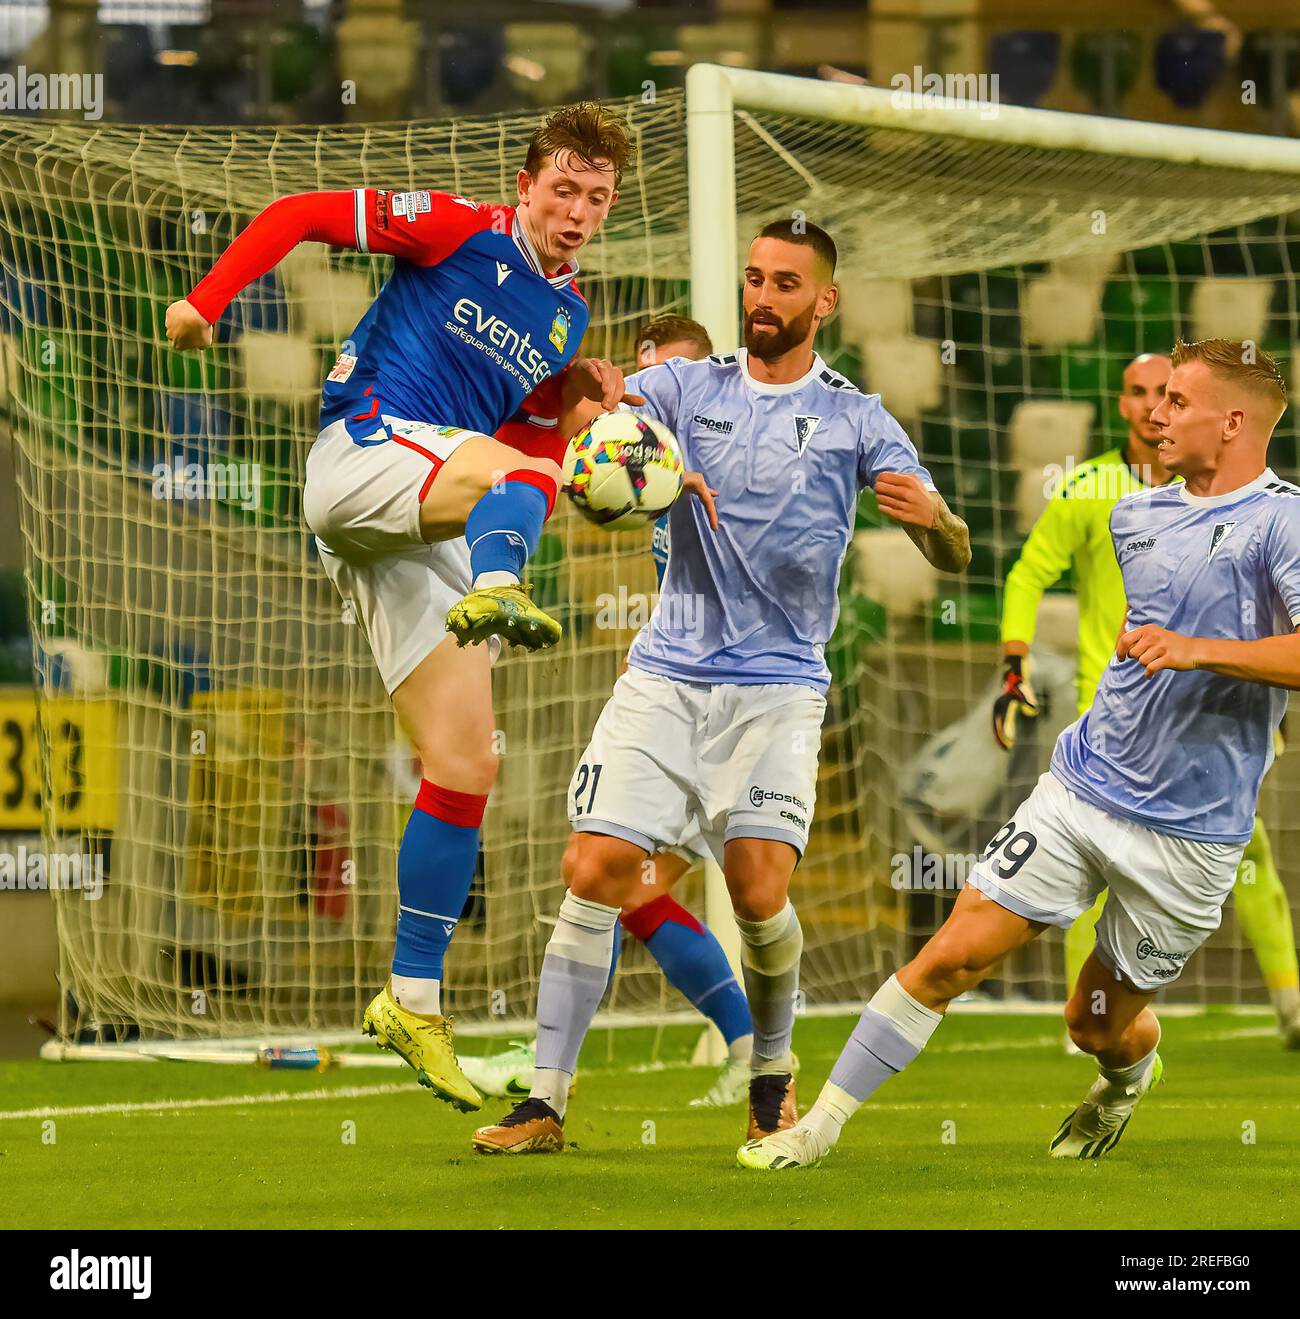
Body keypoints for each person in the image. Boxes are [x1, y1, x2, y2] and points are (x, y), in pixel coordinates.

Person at [167, 103, 643, 1111]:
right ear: (527, 185)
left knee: (467, 762)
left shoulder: (568, 318)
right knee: (512, 485)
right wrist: (209, 302)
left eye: (596, 198)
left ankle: (411, 996)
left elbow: (530, 453)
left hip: (419, 516)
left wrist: (581, 421)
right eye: (563, 189)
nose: (577, 210)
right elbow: (299, 210)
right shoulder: (457, 227)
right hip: (364, 451)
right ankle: (500, 580)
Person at [470, 217, 970, 1155]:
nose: (763, 298)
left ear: (825, 301)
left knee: (754, 886)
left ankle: (771, 1071)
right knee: (593, 868)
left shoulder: (858, 417)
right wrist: (596, 392)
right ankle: (545, 1102)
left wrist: (934, 518)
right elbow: (582, 404)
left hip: (777, 688)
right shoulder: (684, 386)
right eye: (753, 279)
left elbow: (957, 552)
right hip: (665, 671)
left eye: (786, 283)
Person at [741, 338, 1298, 1170]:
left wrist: (1196, 649)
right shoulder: (1130, 514)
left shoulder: (1282, 520)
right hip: (1083, 788)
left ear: (1234, 419)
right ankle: (813, 1127)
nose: (1154, 414)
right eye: (1155, 398)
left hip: (1191, 831)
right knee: (950, 955)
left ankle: (1125, 1076)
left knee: (1095, 1023)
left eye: (1177, 402)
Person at [464, 314, 758, 1109]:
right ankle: (567, 1070)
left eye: (671, 375)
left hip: (746, 708)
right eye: (643, 374)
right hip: (676, 702)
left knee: (741, 893)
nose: (651, 393)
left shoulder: (737, 451)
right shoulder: (648, 462)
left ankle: (759, 1057)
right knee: (618, 882)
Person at [996, 353, 1300, 1048]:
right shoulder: (1093, 488)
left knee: (1253, 867)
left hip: (1214, 720)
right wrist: (1015, 658)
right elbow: (1027, 574)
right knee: (1082, 880)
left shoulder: (1257, 506)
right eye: (1135, 392)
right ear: (1122, 402)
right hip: (1110, 724)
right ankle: (1092, 1027)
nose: (1147, 406)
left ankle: (1291, 1006)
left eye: (1163, 393)